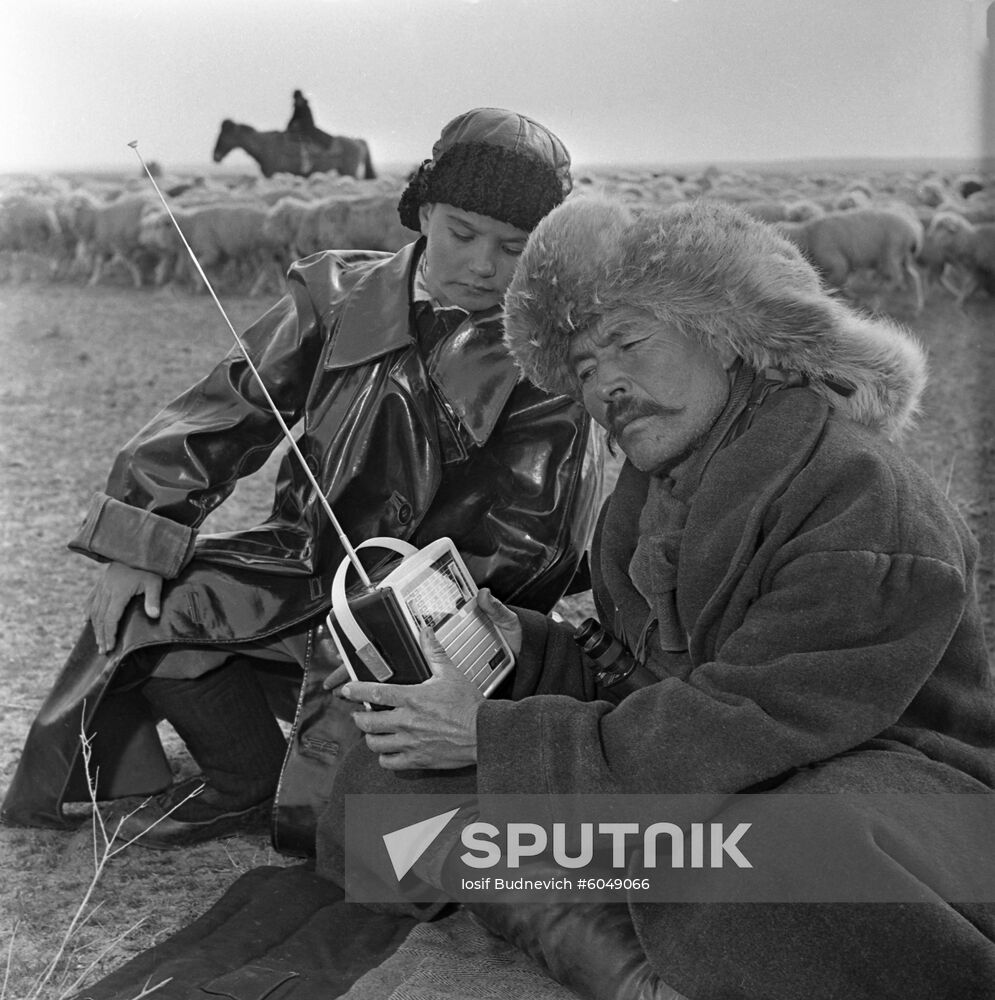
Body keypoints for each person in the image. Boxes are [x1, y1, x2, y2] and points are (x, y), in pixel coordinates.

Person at [323, 196, 995, 999]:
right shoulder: (653, 491)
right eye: (581, 369)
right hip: (700, 773)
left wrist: (491, 739)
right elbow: (641, 677)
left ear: (732, 333)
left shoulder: (860, 493)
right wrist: (516, 646)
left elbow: (752, 718)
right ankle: (614, 932)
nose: (606, 384)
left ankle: (621, 949)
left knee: (790, 843)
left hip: (885, 792)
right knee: (380, 786)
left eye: (626, 342)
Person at [0, 108, 600, 852]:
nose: (483, 265)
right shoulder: (337, 296)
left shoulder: (545, 357)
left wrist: (410, 623)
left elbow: (530, 534)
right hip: (301, 563)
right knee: (146, 615)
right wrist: (141, 530)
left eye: (514, 247)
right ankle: (242, 776)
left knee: (354, 829)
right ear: (423, 211)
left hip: (442, 610)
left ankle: (328, 779)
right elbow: (228, 406)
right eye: (462, 232)